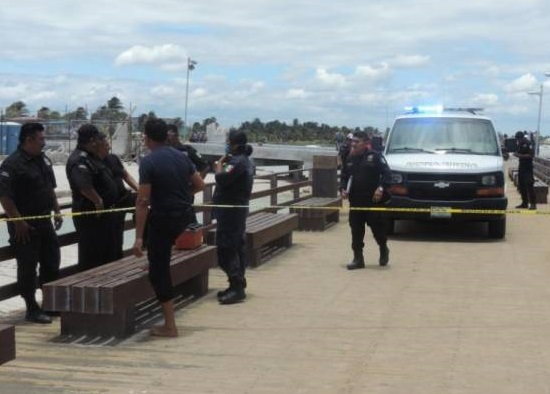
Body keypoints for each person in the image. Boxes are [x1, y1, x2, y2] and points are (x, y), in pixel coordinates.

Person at [133, 118, 205, 337]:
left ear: (147, 138)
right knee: (158, 257)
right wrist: (182, 197)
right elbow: (200, 184)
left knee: (159, 271)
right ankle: (154, 258)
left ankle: (170, 326)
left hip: (164, 218)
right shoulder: (181, 156)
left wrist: (137, 238)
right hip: (184, 216)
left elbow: (143, 201)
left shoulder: (148, 162)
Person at [0, 122, 63, 324]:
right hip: (25, 225)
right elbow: (5, 197)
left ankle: (50, 304)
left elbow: (49, 188)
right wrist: (18, 222)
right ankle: (31, 307)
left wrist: (57, 210)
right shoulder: (12, 164)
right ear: (29, 140)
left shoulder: (43, 160)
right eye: (41, 138)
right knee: (28, 267)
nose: (44, 142)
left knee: (52, 261)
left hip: (45, 220)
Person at [66, 124, 119, 271]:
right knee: (92, 258)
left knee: (107, 256)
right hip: (91, 216)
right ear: (92, 140)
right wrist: (98, 200)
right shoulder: (79, 159)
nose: (101, 142)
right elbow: (84, 186)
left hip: (104, 216)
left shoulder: (92, 157)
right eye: (98, 139)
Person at [340, 131, 392, 270]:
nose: (354, 144)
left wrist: (380, 188)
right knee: (356, 230)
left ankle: (383, 248)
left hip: (372, 201)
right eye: (353, 141)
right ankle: (358, 259)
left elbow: (387, 174)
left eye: (357, 142)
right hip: (355, 201)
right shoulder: (349, 158)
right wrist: (343, 189)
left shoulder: (374, 157)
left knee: (377, 229)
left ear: (366, 143)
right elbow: (344, 177)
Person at [213, 130, 254, 305]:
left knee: (226, 248)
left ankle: (237, 286)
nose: (227, 144)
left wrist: (219, 165)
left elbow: (222, 178)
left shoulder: (237, 162)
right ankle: (235, 283)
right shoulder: (247, 161)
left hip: (231, 212)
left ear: (234, 144)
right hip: (237, 211)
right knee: (236, 246)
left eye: (228, 142)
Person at [97, 133, 139, 259]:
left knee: (147, 204)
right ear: (98, 147)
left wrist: (138, 189)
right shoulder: (94, 162)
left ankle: (144, 243)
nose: (109, 147)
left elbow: (126, 176)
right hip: (110, 205)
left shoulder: (113, 158)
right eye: (106, 145)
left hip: (123, 198)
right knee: (113, 239)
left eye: (109, 144)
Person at [514, 131, 536, 210]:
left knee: (529, 185)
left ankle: (533, 204)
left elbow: (531, 155)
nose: (518, 141)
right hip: (521, 167)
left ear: (521, 138)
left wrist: (519, 155)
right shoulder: (519, 144)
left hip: (528, 167)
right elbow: (518, 153)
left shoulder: (528, 143)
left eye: (518, 139)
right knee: (522, 185)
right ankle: (524, 203)